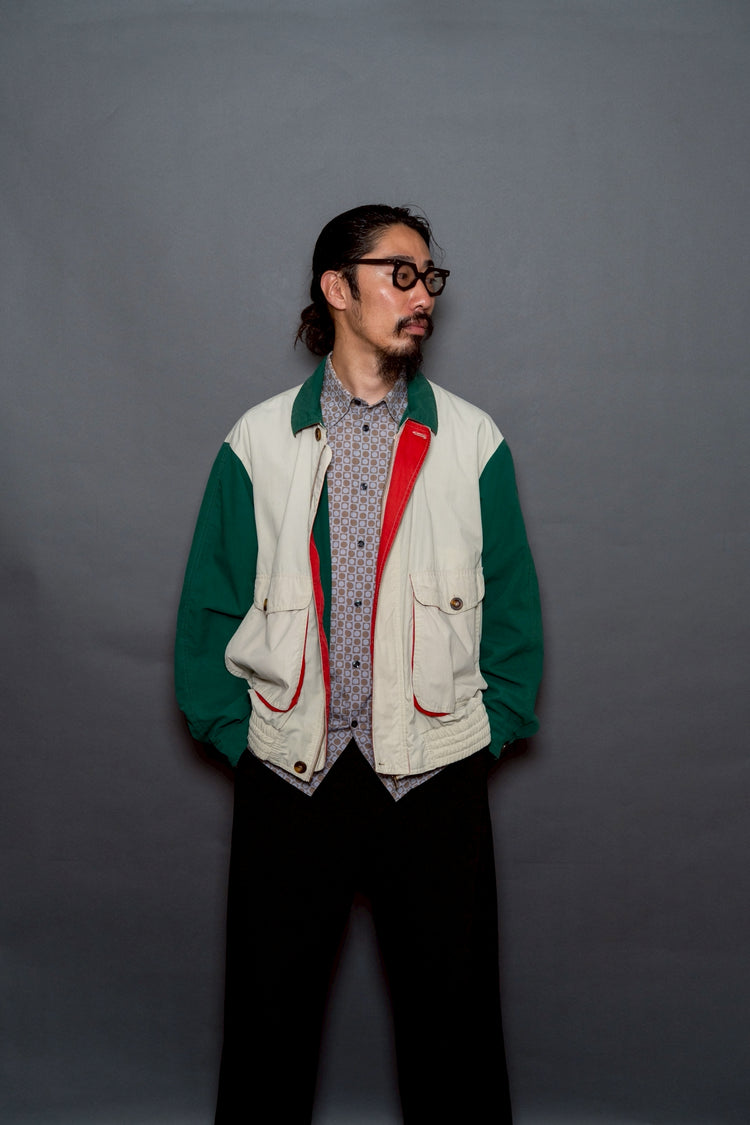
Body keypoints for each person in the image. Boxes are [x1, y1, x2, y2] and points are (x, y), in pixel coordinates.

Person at [175, 204, 543, 1123]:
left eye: (430, 278)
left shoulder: (473, 439)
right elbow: (209, 608)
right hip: (290, 774)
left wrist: (485, 734)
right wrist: (240, 741)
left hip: (435, 774)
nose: (423, 297)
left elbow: (514, 609)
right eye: (399, 274)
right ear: (337, 288)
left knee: (457, 1038)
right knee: (266, 1035)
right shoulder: (258, 439)